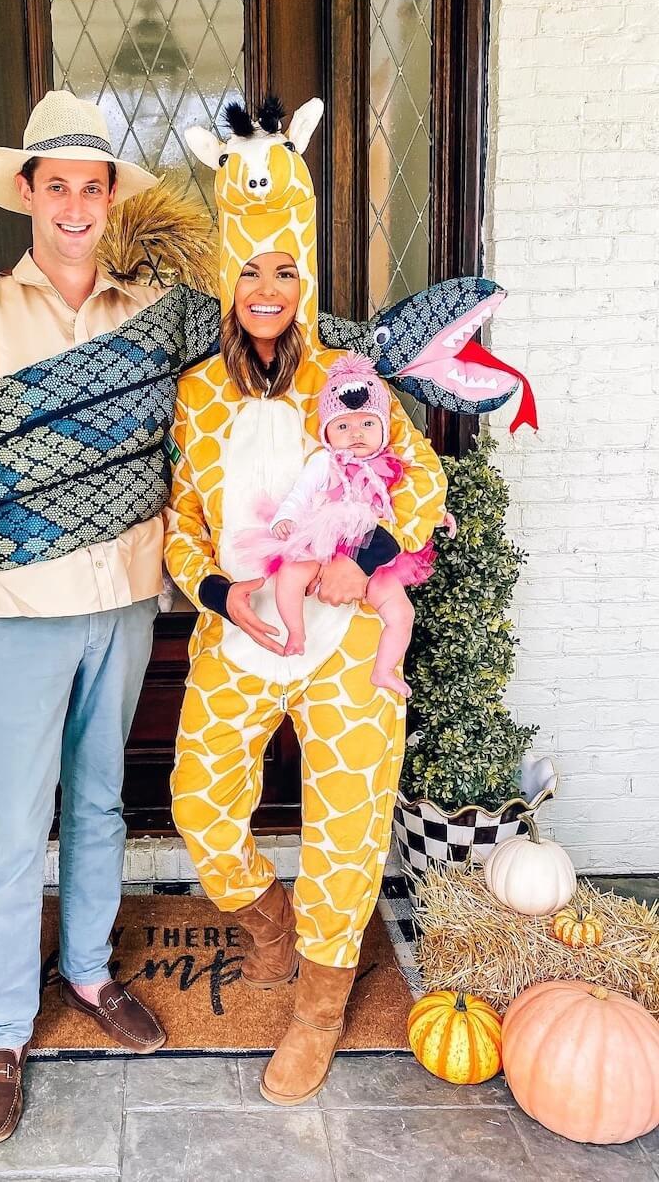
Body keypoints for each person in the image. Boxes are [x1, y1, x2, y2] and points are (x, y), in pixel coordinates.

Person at [0, 91, 169, 1146]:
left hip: (125, 602)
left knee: (98, 804)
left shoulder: (144, 313)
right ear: (26, 194)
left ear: (106, 201)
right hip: (14, 616)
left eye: (90, 186)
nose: (73, 204)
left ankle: (89, 972)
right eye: (55, 184)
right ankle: (6, 1030)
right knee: (14, 825)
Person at [169, 97, 448, 1106]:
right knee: (198, 802)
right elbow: (179, 524)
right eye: (250, 267)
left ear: (308, 272)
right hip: (240, 631)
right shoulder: (196, 393)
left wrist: (359, 559)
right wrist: (222, 591)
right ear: (224, 275)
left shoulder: (351, 375)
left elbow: (420, 483)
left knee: (345, 819)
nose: (268, 288)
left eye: (285, 267)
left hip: (345, 637)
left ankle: (322, 1003)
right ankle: (267, 922)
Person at [235, 351, 455, 691]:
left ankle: (383, 670)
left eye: (368, 423)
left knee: (401, 613)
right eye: (343, 426)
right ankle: (296, 631)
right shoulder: (325, 462)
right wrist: (286, 518)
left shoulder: (392, 463)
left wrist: (438, 515)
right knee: (291, 574)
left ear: (383, 428)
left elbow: (402, 505)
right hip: (326, 541)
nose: (356, 433)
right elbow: (301, 493)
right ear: (327, 434)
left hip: (376, 557)